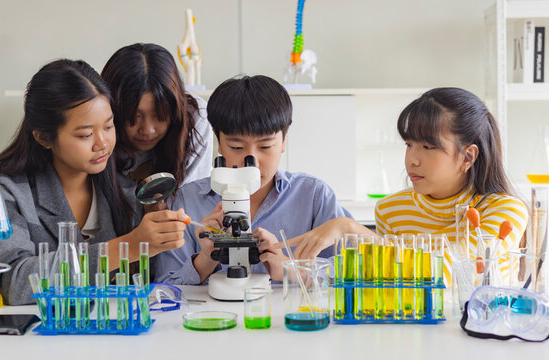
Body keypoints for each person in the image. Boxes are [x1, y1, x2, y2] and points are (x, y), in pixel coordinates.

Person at [0, 59, 188, 305]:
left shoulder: (124, 192)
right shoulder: (5, 192)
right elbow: (11, 282)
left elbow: (147, 283)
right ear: (44, 138)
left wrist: (170, 239)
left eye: (109, 126)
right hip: (27, 338)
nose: (102, 143)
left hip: (107, 334)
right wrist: (129, 245)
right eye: (85, 134)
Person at [286, 87, 528, 279]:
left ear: (468, 156)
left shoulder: (505, 210)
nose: (411, 159)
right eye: (409, 144)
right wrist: (294, 271)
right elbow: (388, 277)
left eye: (428, 146)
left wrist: (351, 229)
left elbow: (455, 271)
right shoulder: (391, 210)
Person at [153, 75, 352, 284]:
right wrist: (205, 260)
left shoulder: (314, 196)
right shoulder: (188, 200)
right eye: (237, 147)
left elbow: (355, 271)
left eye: (265, 147)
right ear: (218, 141)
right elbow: (163, 289)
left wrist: (290, 268)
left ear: (284, 140)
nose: (252, 162)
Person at [101, 43, 213, 188]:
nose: (148, 130)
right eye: (135, 117)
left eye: (160, 115)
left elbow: (189, 201)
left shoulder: (194, 115)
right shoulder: (96, 128)